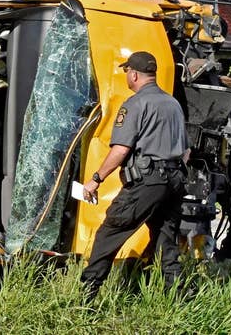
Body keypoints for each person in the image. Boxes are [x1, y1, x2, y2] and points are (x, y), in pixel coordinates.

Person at [80, 51, 188, 299]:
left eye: (127, 71)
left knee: (110, 232)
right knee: (165, 239)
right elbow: (186, 150)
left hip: (148, 181)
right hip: (173, 181)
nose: (127, 75)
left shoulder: (135, 104)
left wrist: (96, 180)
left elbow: (120, 150)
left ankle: (86, 296)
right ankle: (179, 297)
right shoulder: (173, 104)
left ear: (135, 74)